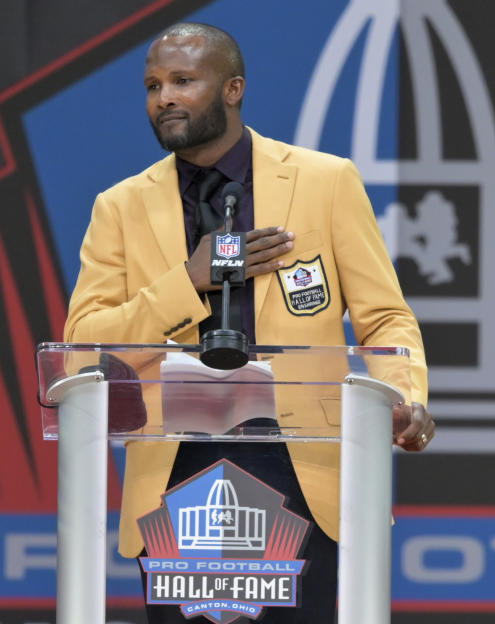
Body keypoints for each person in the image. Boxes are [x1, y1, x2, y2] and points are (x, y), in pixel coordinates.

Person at [63, 22, 433, 622]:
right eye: (153, 85)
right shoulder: (120, 207)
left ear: (232, 89)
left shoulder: (325, 182)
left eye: (183, 80)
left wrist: (405, 394)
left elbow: (385, 316)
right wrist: (189, 281)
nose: (165, 98)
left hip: (299, 464)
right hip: (174, 467)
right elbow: (84, 349)